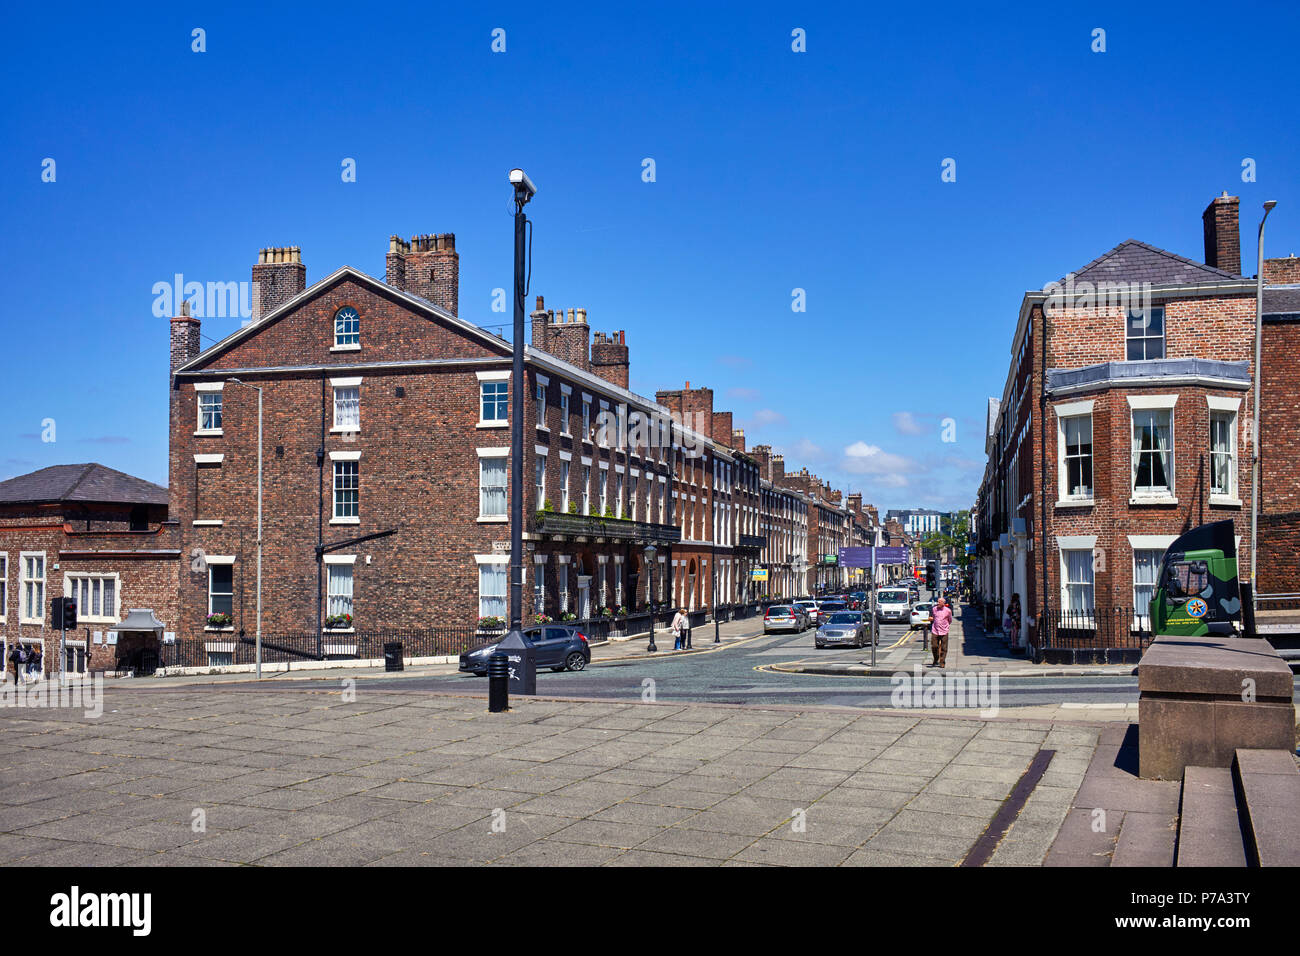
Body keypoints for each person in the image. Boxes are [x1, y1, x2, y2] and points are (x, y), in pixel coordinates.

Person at [930, 596, 953, 668]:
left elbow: (950, 620)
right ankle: (936, 659)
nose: (938, 603)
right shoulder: (934, 609)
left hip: (944, 631)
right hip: (935, 630)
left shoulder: (948, 611)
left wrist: (945, 626)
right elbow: (933, 617)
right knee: (934, 646)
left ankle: (942, 662)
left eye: (939, 602)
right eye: (938, 602)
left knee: (944, 648)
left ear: (943, 603)